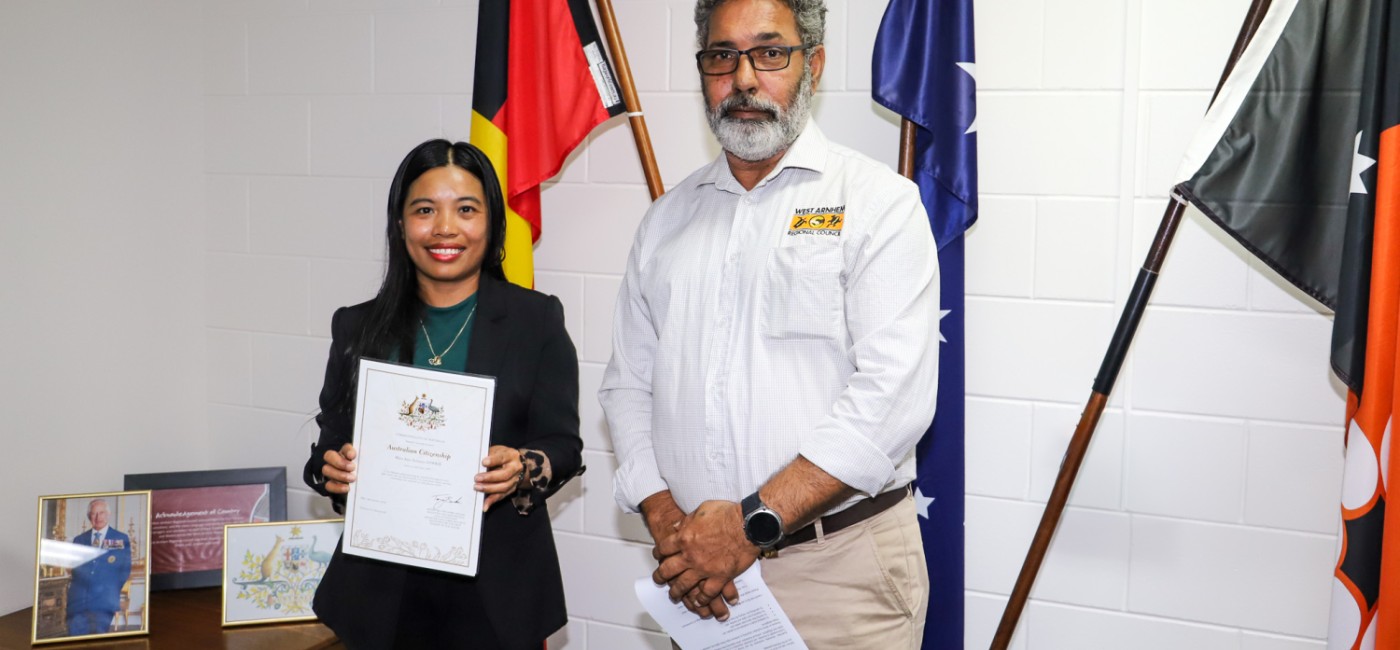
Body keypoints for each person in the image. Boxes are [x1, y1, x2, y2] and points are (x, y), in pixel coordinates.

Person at [599, 0, 939, 645]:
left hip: (839, 573)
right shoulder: (665, 222)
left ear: (813, 63)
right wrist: (669, 520)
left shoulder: (879, 205)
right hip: (704, 583)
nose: (745, 79)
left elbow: (893, 399)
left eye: (770, 52)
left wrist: (749, 524)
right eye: (722, 56)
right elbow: (626, 386)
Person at [303, 139, 583, 650]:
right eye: (425, 210)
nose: (445, 229)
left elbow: (564, 445)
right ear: (400, 223)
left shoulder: (536, 320)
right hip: (382, 595)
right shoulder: (357, 326)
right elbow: (329, 441)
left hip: (496, 595)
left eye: (466, 209)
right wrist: (333, 466)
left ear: (492, 222)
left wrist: (522, 464)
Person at [67, 499, 132, 636]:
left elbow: (124, 570)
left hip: (104, 601)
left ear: (108, 514)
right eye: (94, 514)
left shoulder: (120, 538)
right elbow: (75, 569)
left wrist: (109, 590)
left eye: (101, 513)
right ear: (89, 516)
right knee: (75, 638)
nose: (98, 517)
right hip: (79, 600)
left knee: (98, 640)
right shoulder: (79, 540)